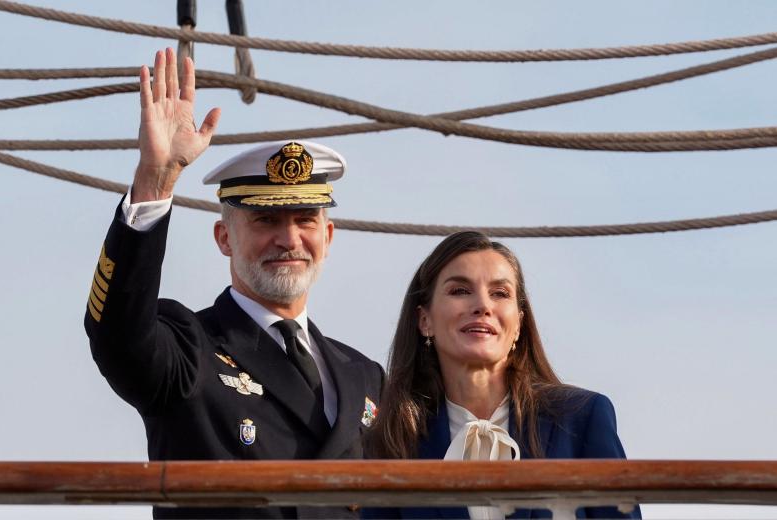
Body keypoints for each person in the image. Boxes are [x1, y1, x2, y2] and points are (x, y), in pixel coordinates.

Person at [84, 48, 383, 519]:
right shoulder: (189, 349)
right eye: (266, 220)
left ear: (326, 237)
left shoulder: (365, 377)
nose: (289, 239)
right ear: (224, 237)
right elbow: (118, 333)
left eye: (305, 219)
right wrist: (155, 182)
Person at [365, 231, 640, 519]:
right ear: (425, 320)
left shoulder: (583, 417)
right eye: (460, 290)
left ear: (519, 324)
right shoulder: (391, 443)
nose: (483, 306)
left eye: (500, 293)